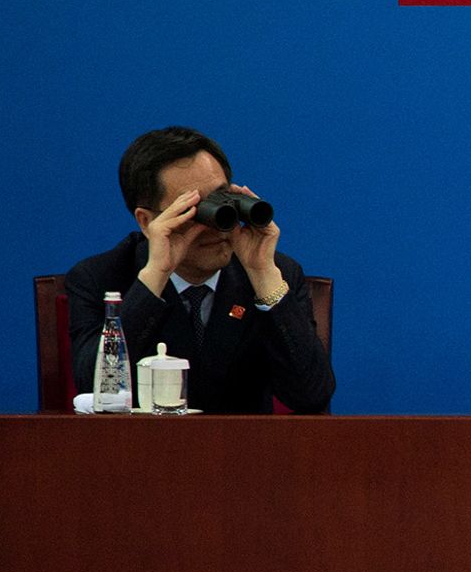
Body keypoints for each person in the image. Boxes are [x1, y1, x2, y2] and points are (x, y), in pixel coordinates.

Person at [67, 126, 335, 413]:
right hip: (141, 451)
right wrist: (155, 276)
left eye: (220, 200)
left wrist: (263, 276)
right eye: (192, 209)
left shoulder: (273, 272)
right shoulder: (100, 279)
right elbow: (93, 386)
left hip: (244, 453)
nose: (216, 224)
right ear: (146, 221)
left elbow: (311, 396)